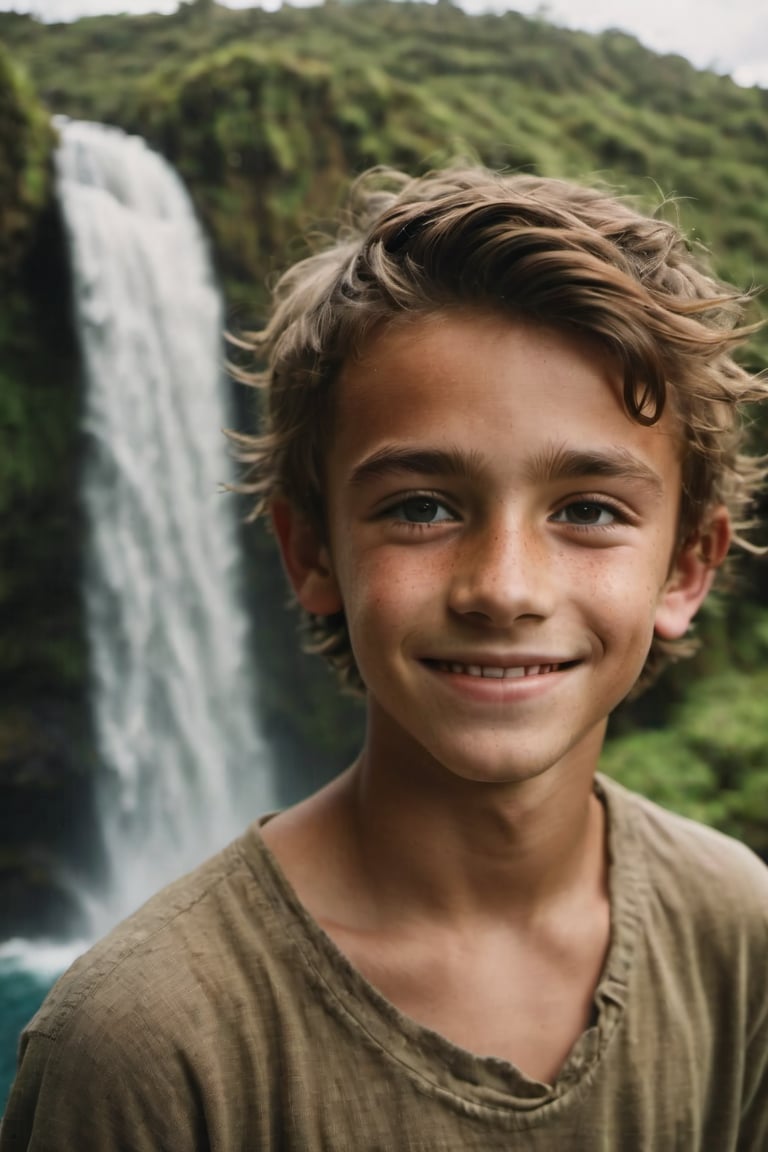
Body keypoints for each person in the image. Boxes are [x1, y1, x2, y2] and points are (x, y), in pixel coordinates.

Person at [3, 166, 768, 1151]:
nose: (504, 586)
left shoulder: (739, 935)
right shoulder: (142, 1045)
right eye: (422, 507)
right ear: (312, 553)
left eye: (588, 510)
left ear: (687, 568)